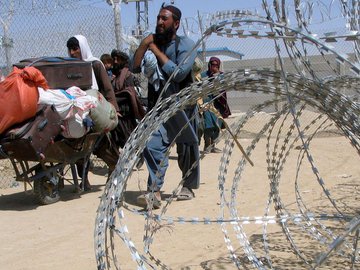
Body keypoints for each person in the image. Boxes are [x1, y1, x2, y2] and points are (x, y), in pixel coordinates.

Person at [132, 3, 199, 208]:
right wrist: (144, 46)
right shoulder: (152, 41)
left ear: (176, 24)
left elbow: (178, 73)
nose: (160, 22)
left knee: (187, 146)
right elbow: (133, 67)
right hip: (159, 105)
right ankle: (155, 190)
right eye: (159, 18)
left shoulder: (187, 45)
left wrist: (153, 49)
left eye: (165, 19)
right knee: (152, 144)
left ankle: (187, 184)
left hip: (182, 103)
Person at [66, 35, 120, 190]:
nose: (72, 52)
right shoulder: (70, 67)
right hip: (80, 111)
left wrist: (113, 109)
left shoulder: (95, 64)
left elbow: (106, 88)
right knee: (78, 146)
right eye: (70, 49)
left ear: (82, 47)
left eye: (75, 48)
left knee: (102, 145)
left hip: (98, 110)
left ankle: (114, 170)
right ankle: (84, 180)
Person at [110, 49, 146, 156]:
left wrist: (115, 97)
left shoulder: (128, 76)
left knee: (129, 138)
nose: (115, 61)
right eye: (114, 59)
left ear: (123, 61)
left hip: (127, 113)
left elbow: (129, 93)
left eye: (118, 59)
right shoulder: (115, 77)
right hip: (118, 112)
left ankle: (139, 155)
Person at [200, 57, 231, 153]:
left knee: (217, 125)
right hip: (206, 103)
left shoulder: (221, 76)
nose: (214, 67)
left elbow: (222, 89)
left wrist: (216, 76)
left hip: (218, 104)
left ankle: (213, 146)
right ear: (209, 65)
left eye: (216, 65)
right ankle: (207, 145)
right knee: (208, 125)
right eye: (212, 65)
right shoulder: (203, 75)